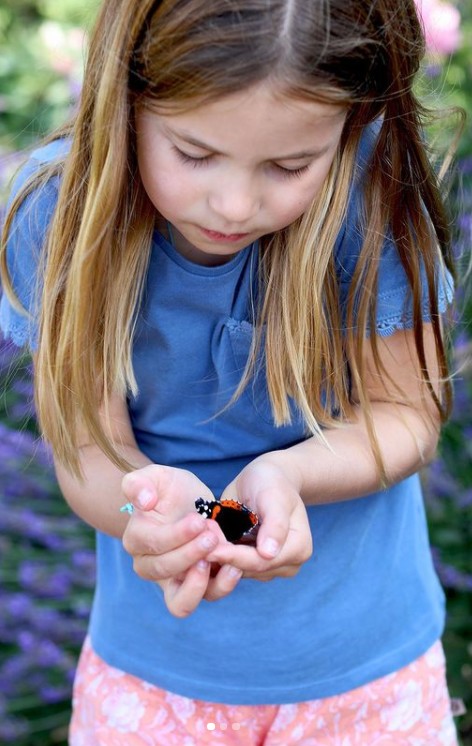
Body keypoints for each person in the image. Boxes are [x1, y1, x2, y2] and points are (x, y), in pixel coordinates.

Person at [0, 0, 461, 743]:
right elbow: (89, 453)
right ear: (128, 98)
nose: (235, 204)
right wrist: (142, 507)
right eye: (193, 154)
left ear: (352, 128)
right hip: (153, 685)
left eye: (289, 166)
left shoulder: (373, 196)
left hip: (368, 677)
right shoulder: (59, 216)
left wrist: (292, 475)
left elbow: (405, 414)